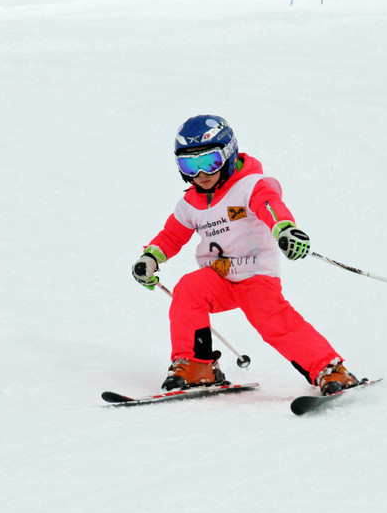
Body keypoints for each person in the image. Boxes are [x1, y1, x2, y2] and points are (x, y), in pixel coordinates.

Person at [132, 114, 359, 395]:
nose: (201, 174)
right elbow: (171, 235)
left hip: (256, 276)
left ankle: (329, 369)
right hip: (219, 278)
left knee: (273, 321)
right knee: (189, 289)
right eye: (190, 165)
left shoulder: (251, 185)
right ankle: (196, 367)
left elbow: (270, 205)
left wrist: (285, 230)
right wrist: (150, 258)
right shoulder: (189, 203)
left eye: (210, 162)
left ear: (229, 155)